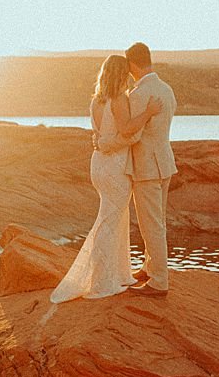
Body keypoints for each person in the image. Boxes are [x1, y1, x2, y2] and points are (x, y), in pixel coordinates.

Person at [49, 54, 160, 303]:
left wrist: (105, 142)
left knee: (116, 216)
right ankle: (100, 283)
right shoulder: (118, 99)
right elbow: (127, 129)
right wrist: (148, 113)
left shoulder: (96, 101)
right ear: (121, 74)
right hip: (114, 167)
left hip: (99, 163)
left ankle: (119, 273)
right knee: (109, 221)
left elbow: (102, 134)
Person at [111, 41, 177, 297]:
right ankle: (150, 267)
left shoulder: (138, 94)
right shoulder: (167, 89)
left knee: (151, 225)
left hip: (147, 167)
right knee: (157, 220)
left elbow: (133, 133)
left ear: (131, 65)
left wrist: (109, 143)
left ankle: (159, 281)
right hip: (165, 162)